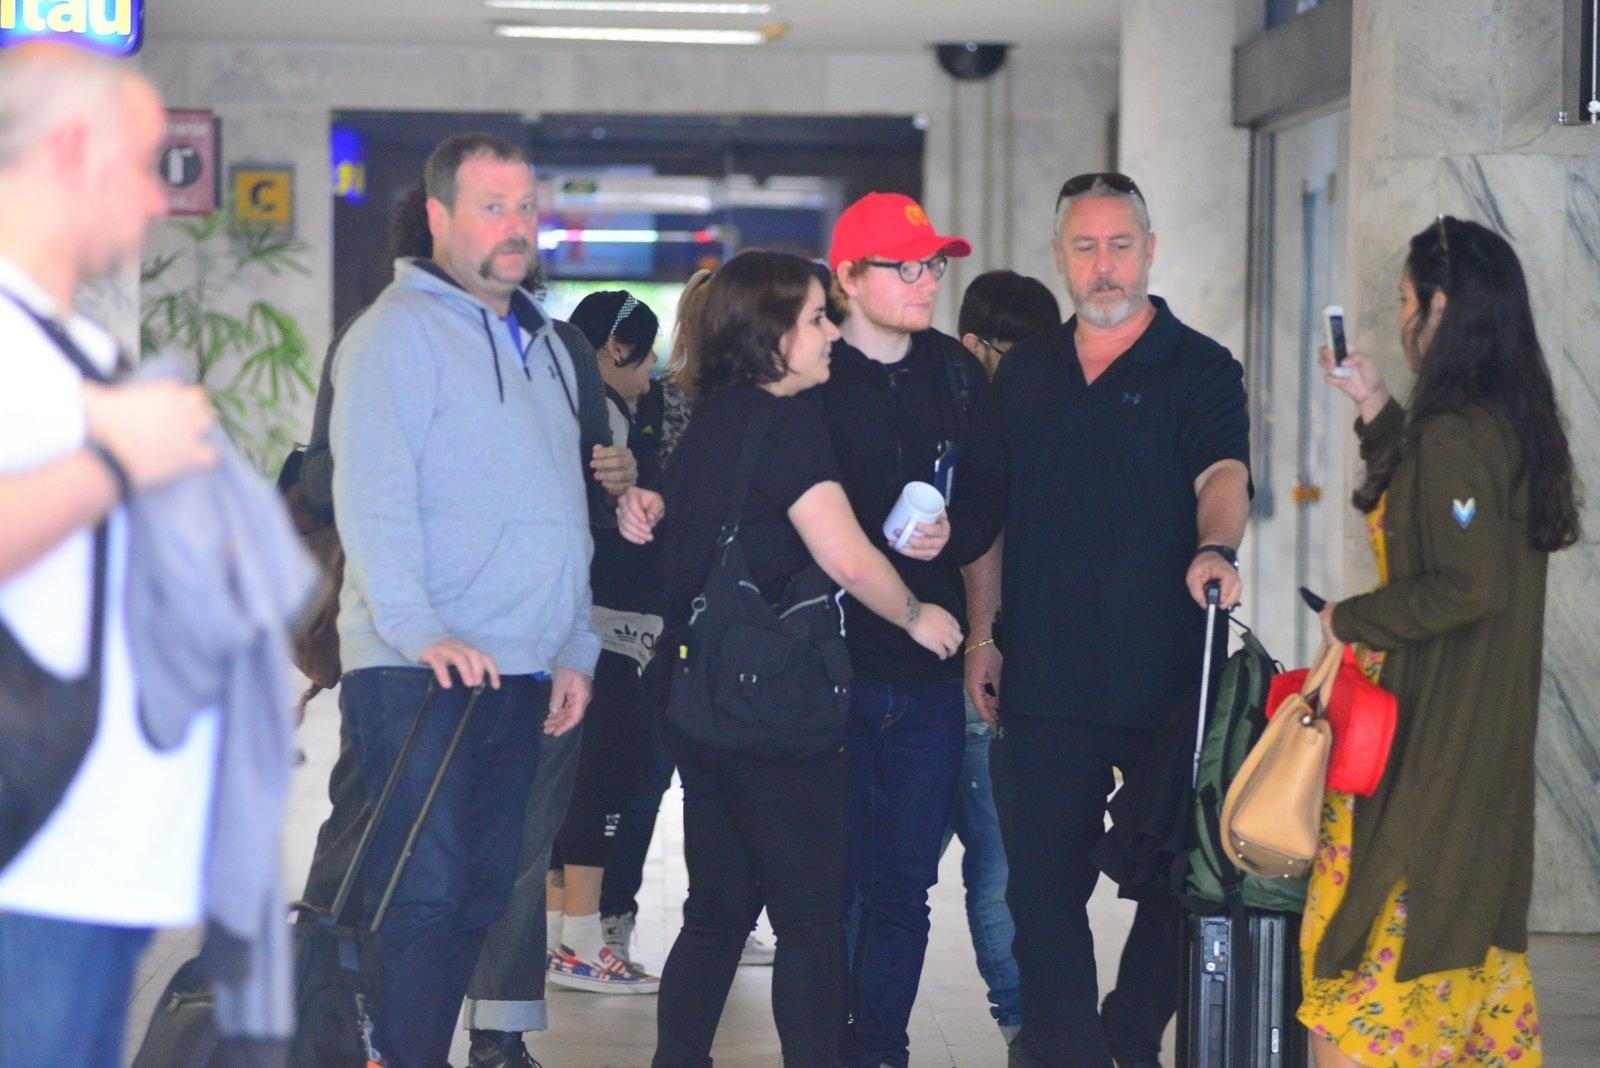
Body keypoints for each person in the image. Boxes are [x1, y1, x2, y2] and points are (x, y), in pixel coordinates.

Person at [0, 43, 307, 1065]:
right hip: (31, 863)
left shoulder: (72, 347)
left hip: (101, 856)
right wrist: (115, 464)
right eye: (139, 166)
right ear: (71, 150)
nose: (153, 199)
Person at [615, 249, 964, 1067]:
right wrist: (919, 616)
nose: (830, 332)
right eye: (815, 318)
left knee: (717, 912)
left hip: (703, 706)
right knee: (810, 920)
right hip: (775, 718)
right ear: (771, 333)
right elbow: (846, 557)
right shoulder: (786, 427)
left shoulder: (714, 419)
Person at [328, 132, 599, 1067]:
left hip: (523, 671)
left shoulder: (548, 348)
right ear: (440, 217)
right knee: (427, 894)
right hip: (420, 671)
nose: (516, 226)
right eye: (493, 206)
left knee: (484, 893)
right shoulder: (393, 335)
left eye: (527, 207)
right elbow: (371, 497)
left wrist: (575, 644)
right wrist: (417, 630)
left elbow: (564, 511)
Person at [976, 172, 1250, 1068]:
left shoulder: (1201, 367)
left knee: (1181, 874)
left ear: (1150, 249)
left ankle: (1129, 1034)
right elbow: (989, 517)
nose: (1105, 267)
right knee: (1040, 889)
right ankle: (1069, 1049)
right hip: (1044, 672)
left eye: (1120, 245)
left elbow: (1224, 475)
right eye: (1086, 248)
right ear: (1059, 257)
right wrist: (982, 635)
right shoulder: (1024, 374)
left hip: (1169, 673)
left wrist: (1217, 549)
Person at [1299, 216, 1576, 1068]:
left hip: (1428, 746)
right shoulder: (1503, 420)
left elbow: (1468, 581)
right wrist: (1376, 408)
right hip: (1476, 750)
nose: (1404, 317)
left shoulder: (1459, 431)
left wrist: (1351, 620)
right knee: (1452, 981)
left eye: (1409, 302)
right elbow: (1440, 515)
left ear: (1445, 307)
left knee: (1351, 993)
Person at [814, 192, 1006, 1068]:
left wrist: (977, 628)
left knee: (904, 885)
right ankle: (831, 1040)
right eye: (906, 266)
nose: (928, 281)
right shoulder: (811, 370)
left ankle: (878, 1049)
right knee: (834, 882)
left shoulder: (955, 374)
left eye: (934, 264)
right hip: (831, 672)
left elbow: (987, 511)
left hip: (927, 680)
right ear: (850, 277)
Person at [940, 269, 1061, 1049]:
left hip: (1003, 671)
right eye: (1013, 355)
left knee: (1000, 869)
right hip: (939, 665)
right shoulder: (945, 421)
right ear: (971, 346)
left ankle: (1025, 1029)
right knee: (980, 870)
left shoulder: (1044, 423)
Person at [544, 289, 666, 994]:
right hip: (602, 627)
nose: (651, 374)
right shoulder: (602, 419)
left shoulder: (562, 407)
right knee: (605, 774)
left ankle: (566, 935)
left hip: (571, 622)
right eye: (645, 357)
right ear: (616, 350)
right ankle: (582, 942)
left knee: (576, 779)